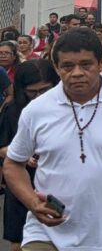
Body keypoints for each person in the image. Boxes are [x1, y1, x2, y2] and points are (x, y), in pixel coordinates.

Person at [2, 27, 102, 251]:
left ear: (101, 62)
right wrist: (33, 202)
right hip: (47, 232)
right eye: (67, 66)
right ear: (56, 67)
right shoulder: (37, 110)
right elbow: (13, 164)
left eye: (86, 65)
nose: (77, 73)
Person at [0, 60, 60, 251]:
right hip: (21, 183)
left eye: (45, 90)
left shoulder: (68, 109)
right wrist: (19, 154)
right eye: (32, 92)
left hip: (56, 185)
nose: (38, 97)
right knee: (19, 242)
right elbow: (1, 148)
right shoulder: (13, 111)